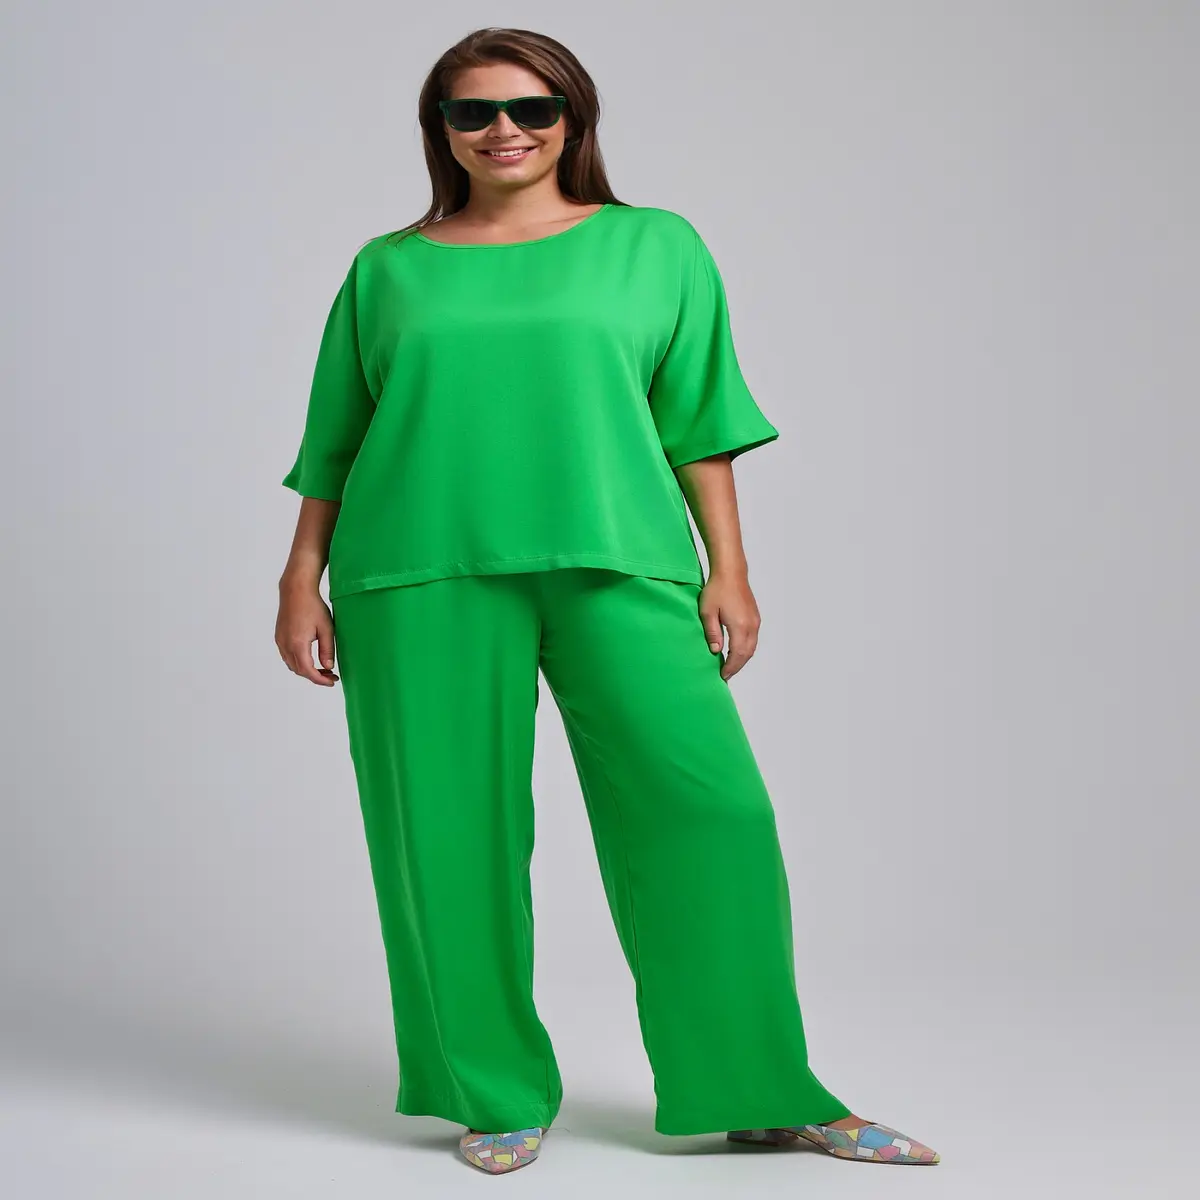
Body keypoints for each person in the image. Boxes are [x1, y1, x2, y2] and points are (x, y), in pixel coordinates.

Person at [274, 25, 940, 1176]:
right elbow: (337, 438)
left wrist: (728, 567)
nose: (505, 130)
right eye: (474, 111)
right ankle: (490, 1090)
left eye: (532, 108)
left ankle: (762, 1088)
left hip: (622, 558)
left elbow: (700, 421)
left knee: (711, 815)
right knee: (445, 836)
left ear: (573, 119)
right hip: (417, 567)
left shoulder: (655, 246)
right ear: (441, 131)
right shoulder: (389, 268)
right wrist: (300, 578)